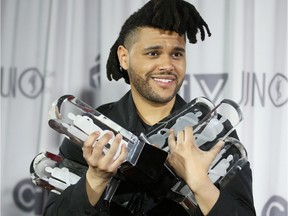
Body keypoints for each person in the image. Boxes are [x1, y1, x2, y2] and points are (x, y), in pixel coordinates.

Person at [44, 0, 256, 215]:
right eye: (153, 53)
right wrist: (96, 179)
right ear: (124, 57)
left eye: (177, 54)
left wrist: (200, 184)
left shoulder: (213, 132)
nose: (167, 65)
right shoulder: (92, 132)